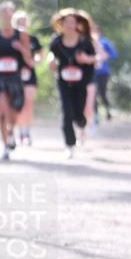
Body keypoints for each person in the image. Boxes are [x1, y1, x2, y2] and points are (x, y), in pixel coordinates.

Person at [0, 0, 33, 160]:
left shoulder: (21, 35)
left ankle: (11, 133)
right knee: (2, 113)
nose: (6, 16)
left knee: (14, 112)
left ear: (13, 15)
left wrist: (21, 49)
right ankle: (5, 147)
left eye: (9, 13)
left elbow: (29, 57)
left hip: (14, 77)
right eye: (3, 13)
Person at [47, 8, 96, 159]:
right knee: (66, 112)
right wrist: (51, 60)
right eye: (66, 22)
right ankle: (69, 145)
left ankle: (82, 125)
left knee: (78, 113)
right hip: (63, 81)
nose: (69, 25)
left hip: (81, 81)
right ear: (62, 24)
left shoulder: (84, 41)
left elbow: (94, 57)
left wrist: (86, 59)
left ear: (77, 24)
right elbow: (51, 54)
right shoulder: (57, 40)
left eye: (72, 22)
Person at [11, 9, 42, 146]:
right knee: (16, 104)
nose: (21, 24)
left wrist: (30, 56)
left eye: (24, 21)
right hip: (13, 76)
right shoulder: (11, 39)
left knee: (28, 104)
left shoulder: (33, 40)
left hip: (29, 75)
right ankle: (19, 132)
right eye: (19, 22)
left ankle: (27, 132)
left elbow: (37, 56)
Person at [76, 10, 97, 142]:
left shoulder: (91, 39)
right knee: (77, 105)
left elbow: (99, 56)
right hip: (74, 78)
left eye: (81, 22)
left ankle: (89, 121)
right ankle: (81, 129)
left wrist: (87, 59)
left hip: (89, 76)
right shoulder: (68, 38)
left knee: (87, 106)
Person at [92, 23, 117, 121]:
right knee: (93, 93)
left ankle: (108, 111)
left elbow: (114, 54)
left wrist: (104, 55)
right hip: (92, 72)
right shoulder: (88, 42)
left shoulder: (104, 42)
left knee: (102, 93)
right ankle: (96, 114)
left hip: (103, 72)